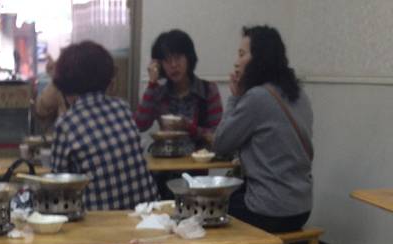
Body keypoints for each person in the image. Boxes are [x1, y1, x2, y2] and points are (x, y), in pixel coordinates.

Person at [50, 41, 158, 244]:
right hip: (144, 213)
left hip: (99, 220)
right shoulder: (122, 108)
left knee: (63, 198)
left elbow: (57, 180)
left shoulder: (67, 123)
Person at [213, 25, 313, 232]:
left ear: (259, 58)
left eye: (242, 54)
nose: (236, 61)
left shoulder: (257, 97)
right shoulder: (299, 94)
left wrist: (235, 98)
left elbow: (221, 144)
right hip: (302, 209)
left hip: (268, 210)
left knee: (209, 207)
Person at [134, 29, 222, 148]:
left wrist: (190, 128)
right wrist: (152, 84)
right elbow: (140, 125)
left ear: (188, 58)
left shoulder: (208, 90)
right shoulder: (158, 93)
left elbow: (217, 136)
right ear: (160, 65)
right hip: (165, 158)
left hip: (199, 158)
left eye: (178, 58)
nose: (173, 65)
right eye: (167, 60)